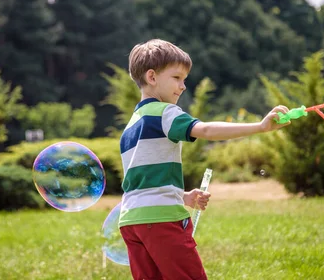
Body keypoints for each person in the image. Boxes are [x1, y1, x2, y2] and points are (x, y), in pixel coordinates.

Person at [118, 39, 290, 280]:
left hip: (130, 222)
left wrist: (183, 196)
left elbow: (143, 182)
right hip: (161, 221)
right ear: (152, 77)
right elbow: (206, 130)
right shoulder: (165, 113)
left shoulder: (131, 125)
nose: (183, 86)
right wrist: (260, 127)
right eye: (177, 78)